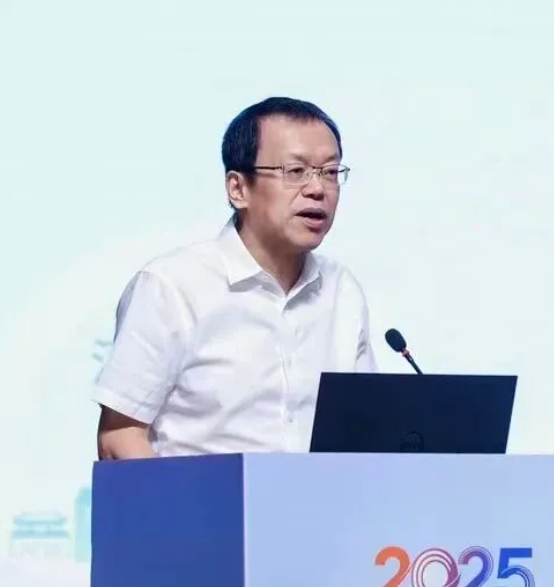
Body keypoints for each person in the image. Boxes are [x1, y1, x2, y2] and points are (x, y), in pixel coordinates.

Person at [92, 96, 376, 459]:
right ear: (238, 189)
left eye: (331, 172)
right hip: (201, 496)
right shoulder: (172, 286)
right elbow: (120, 435)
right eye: (295, 171)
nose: (317, 189)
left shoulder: (342, 291)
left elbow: (367, 435)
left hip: (320, 496)